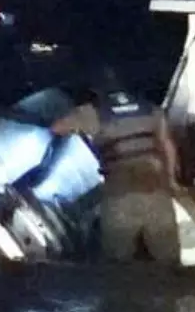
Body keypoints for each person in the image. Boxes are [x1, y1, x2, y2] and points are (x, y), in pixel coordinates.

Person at [50, 68, 181, 264]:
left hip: (120, 195)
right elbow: (168, 146)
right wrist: (171, 180)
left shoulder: (92, 112)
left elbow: (56, 128)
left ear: (97, 90)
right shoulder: (150, 108)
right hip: (156, 191)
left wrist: (78, 123)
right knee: (169, 262)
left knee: (117, 265)